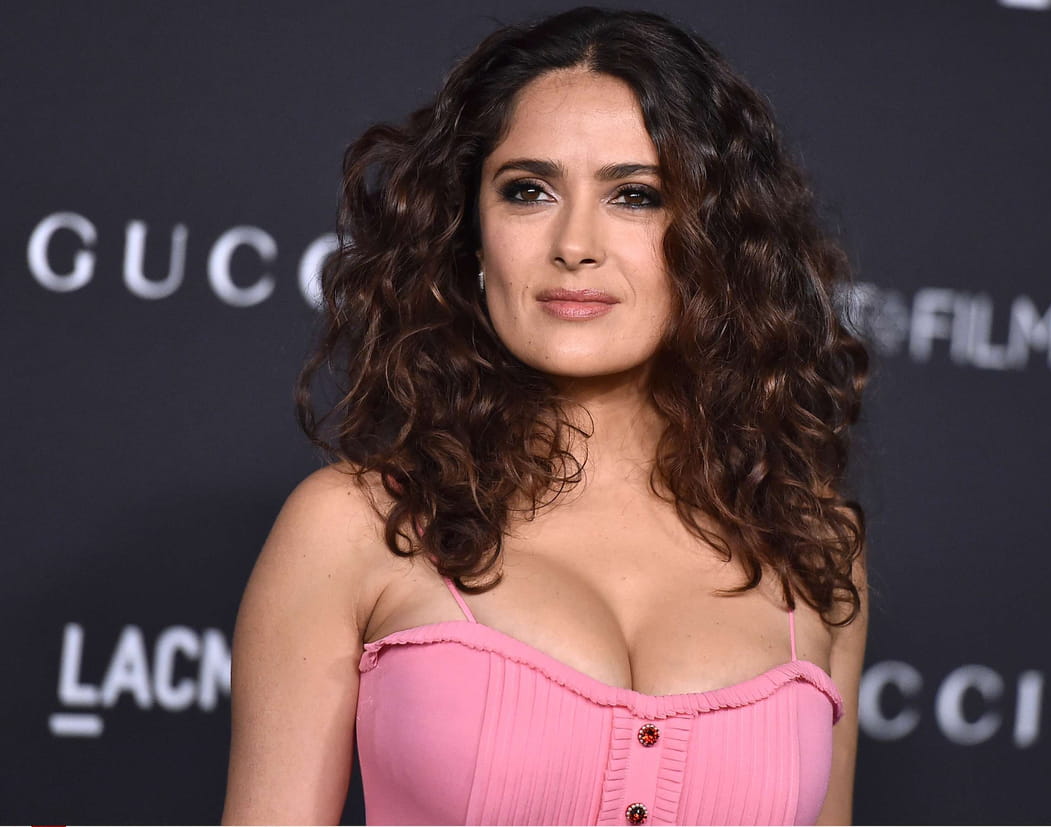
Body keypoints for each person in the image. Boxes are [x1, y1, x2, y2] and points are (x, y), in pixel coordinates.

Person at [222, 6, 870, 825]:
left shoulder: (814, 547)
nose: (574, 243)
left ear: (716, 240)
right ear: (470, 231)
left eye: (636, 195)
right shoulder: (352, 527)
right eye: (528, 191)